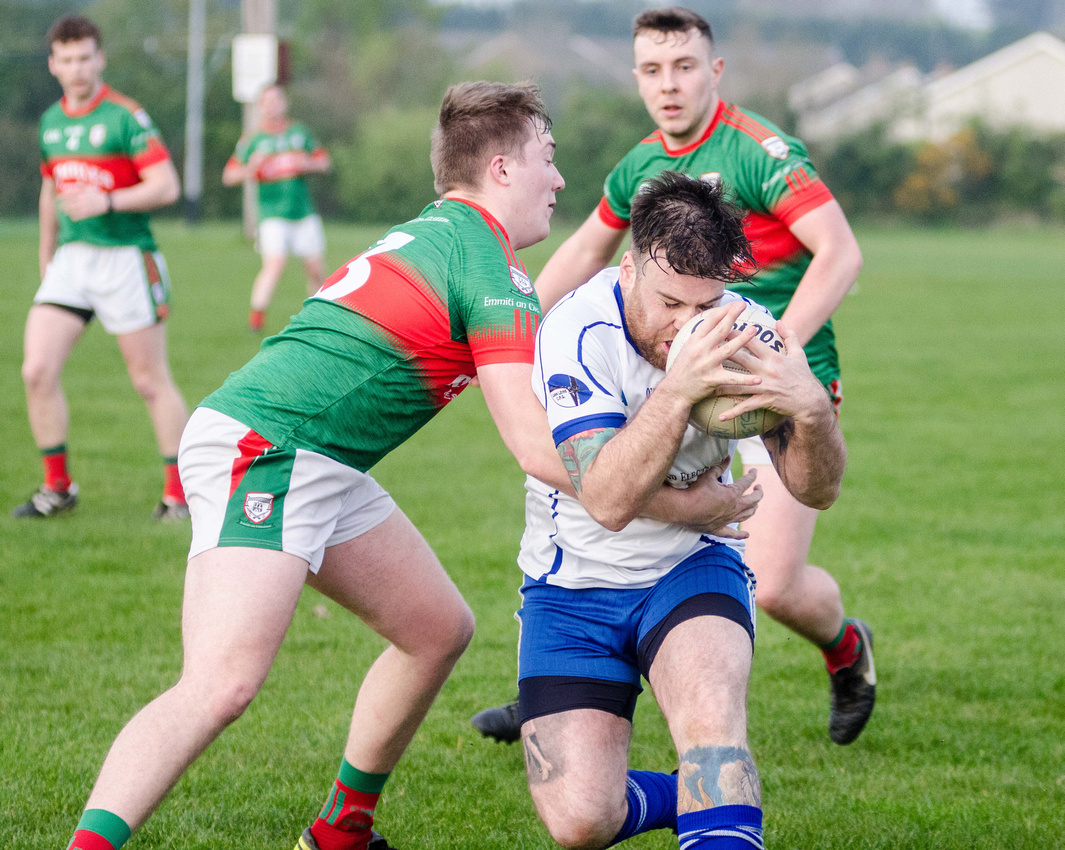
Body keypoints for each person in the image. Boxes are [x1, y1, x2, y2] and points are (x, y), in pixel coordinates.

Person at [59, 79, 578, 850]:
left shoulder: (445, 234)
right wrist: (666, 485)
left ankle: (341, 835)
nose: (559, 179)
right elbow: (535, 446)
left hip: (315, 458)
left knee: (436, 629)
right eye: (548, 156)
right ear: (501, 169)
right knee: (220, 684)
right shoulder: (483, 264)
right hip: (270, 448)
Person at [472, 5, 874, 748]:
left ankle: (847, 650)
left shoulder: (757, 150)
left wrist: (763, 356)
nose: (668, 84)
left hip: (769, 370)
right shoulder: (638, 165)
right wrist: (513, 339)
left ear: (712, 71)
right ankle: (559, 689)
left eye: (684, 67)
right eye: (652, 70)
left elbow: (839, 254)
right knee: (574, 486)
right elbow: (581, 255)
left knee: (776, 580)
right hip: (659, 358)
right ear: (635, 78)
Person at [516, 171, 847, 849]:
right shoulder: (577, 330)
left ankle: (717, 793)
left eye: (704, 305)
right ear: (629, 266)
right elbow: (606, 500)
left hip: (690, 569)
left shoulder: (748, 331)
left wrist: (811, 413)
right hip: (571, 585)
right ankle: (705, 802)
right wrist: (680, 390)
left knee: (712, 733)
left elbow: (816, 489)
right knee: (581, 821)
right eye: (668, 303)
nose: (686, 328)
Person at [14, 15, 190, 522]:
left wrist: (108, 199)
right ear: (53, 64)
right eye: (66, 60)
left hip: (128, 260)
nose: (76, 68)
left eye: (85, 57)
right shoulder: (51, 122)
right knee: (36, 370)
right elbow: (51, 189)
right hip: (73, 262)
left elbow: (166, 186)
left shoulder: (125, 117)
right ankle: (57, 489)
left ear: (100, 59)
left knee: (148, 380)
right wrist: (46, 254)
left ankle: (176, 497)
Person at [223, 84, 332, 332]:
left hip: (303, 211)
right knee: (275, 263)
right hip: (272, 213)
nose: (272, 106)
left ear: (285, 103)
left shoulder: (299, 132)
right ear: (261, 107)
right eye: (267, 101)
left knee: (316, 268)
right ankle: (256, 318)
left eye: (277, 100)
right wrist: (251, 168)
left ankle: (318, 317)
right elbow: (229, 175)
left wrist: (306, 163)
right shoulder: (253, 139)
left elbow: (323, 162)